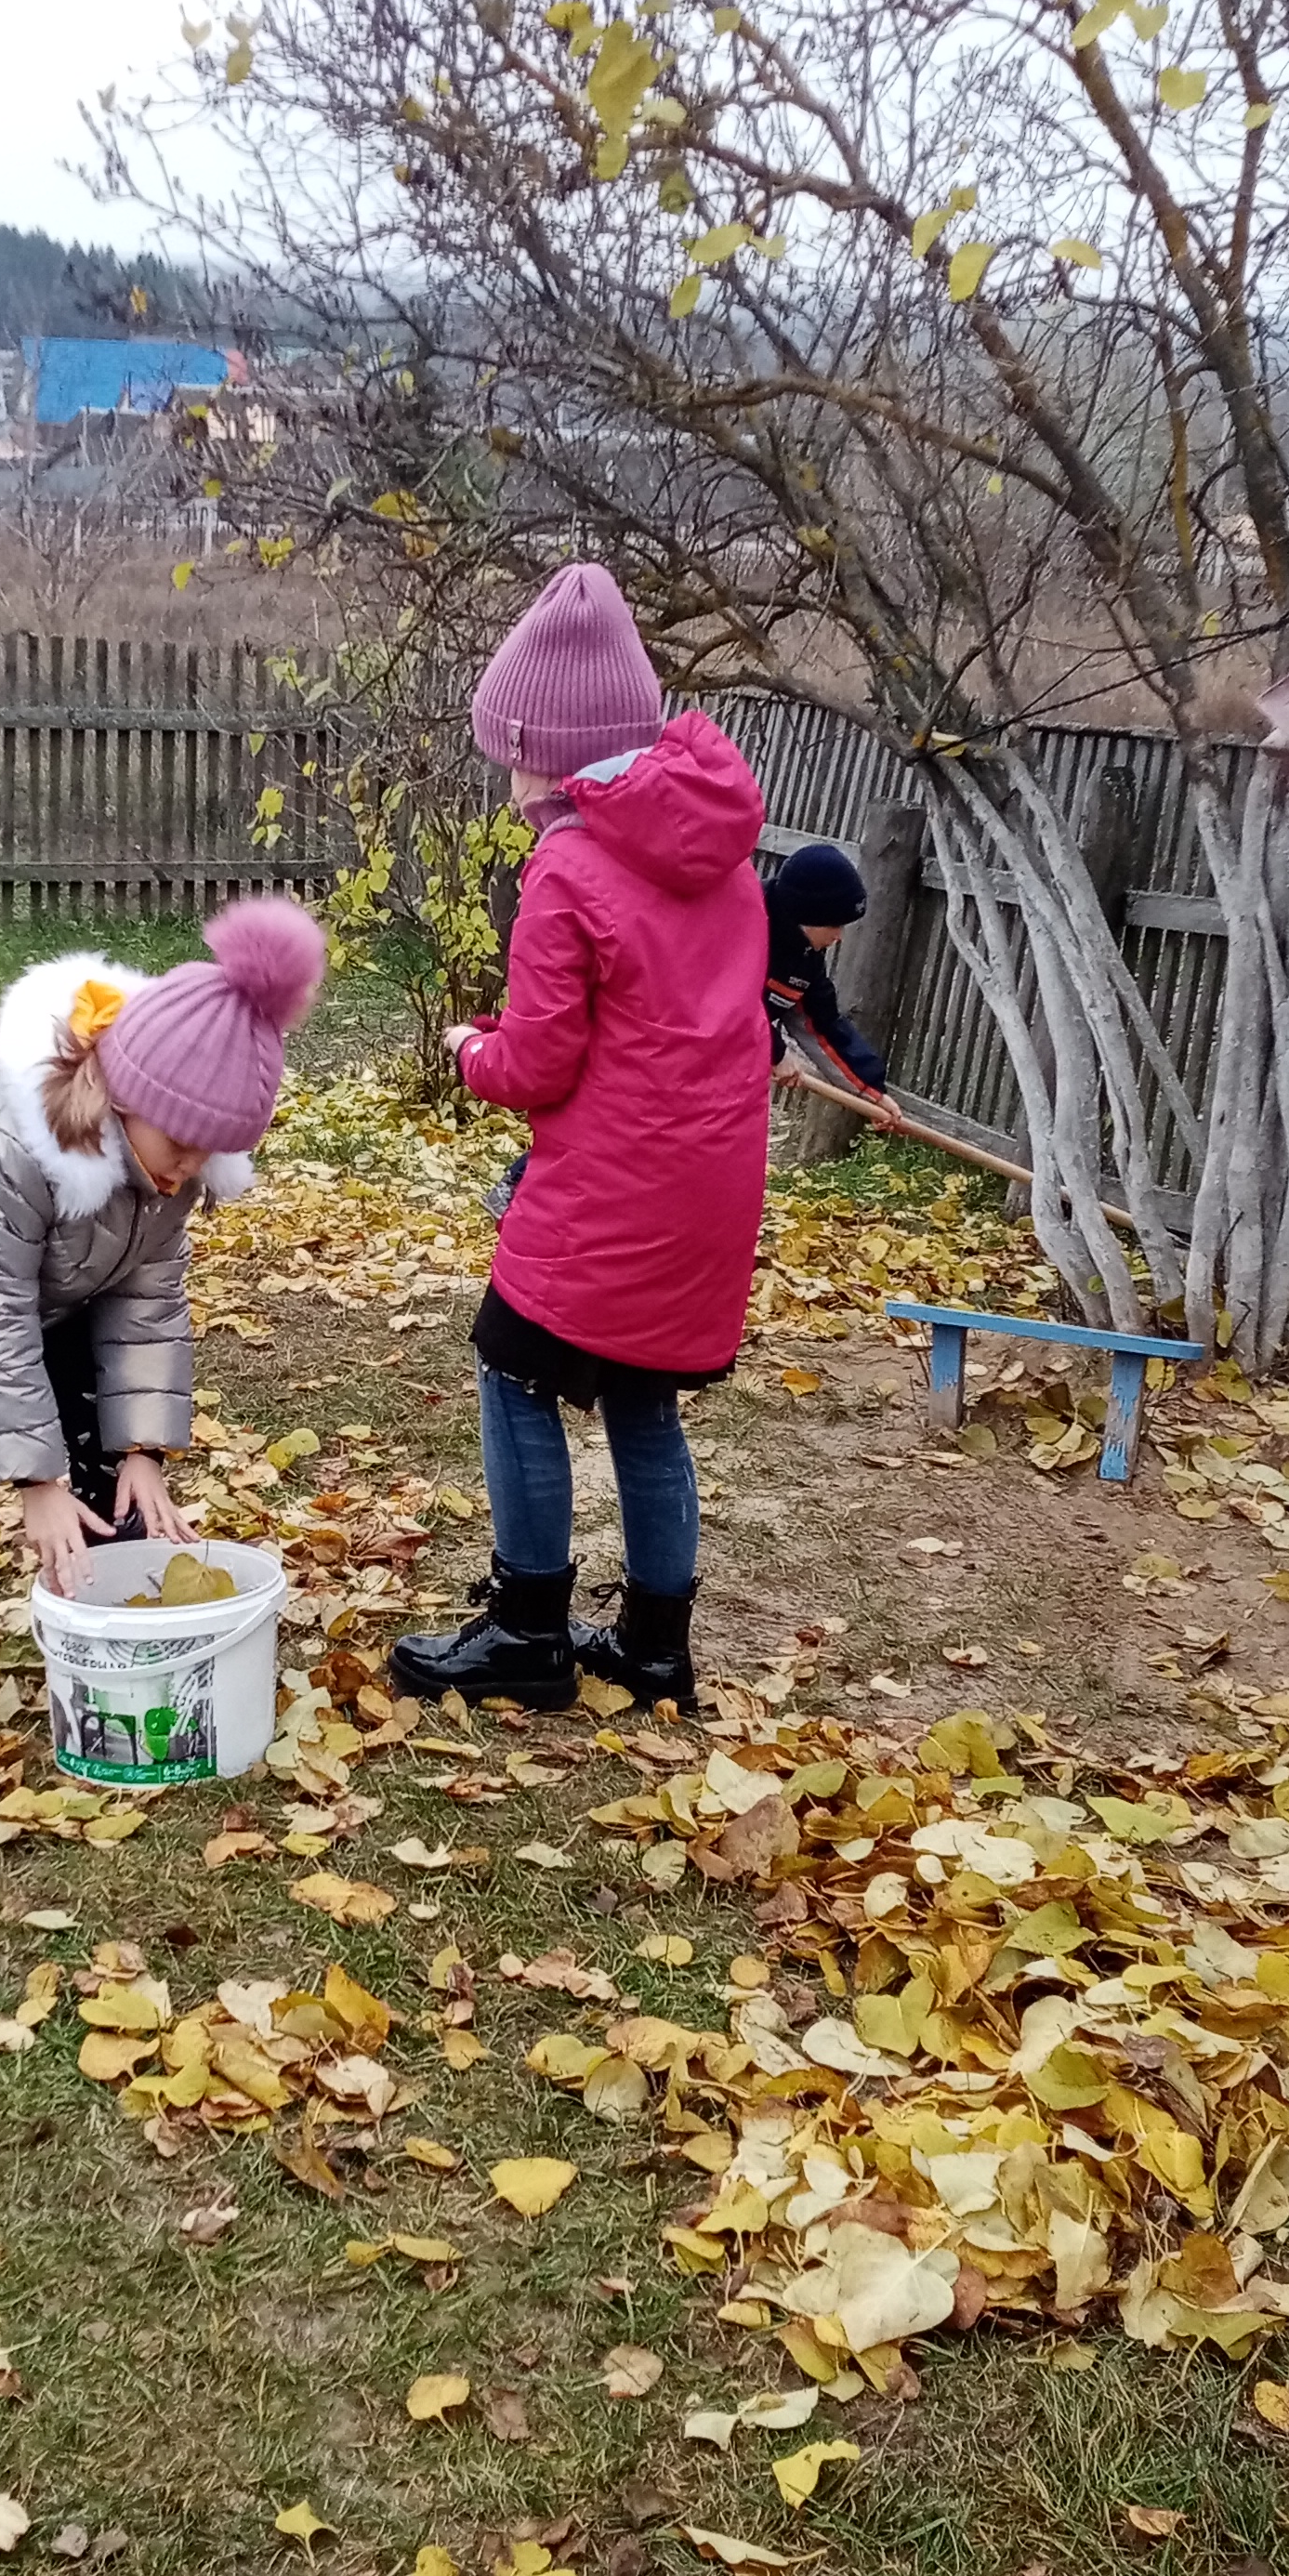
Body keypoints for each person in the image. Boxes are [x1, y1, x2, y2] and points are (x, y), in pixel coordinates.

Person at [390, 562, 770, 1715]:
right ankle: (656, 1647)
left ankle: (526, 1628)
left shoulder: (567, 865)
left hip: (610, 1187)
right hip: (706, 1185)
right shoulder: (724, 857)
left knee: (512, 1370)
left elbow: (541, 1063)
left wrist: (468, 1051)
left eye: (503, 749)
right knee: (642, 1405)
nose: (500, 772)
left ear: (535, 749)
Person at [0, 897, 328, 1698]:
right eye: (180, 1141)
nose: (190, 1164)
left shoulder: (170, 1172)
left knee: (92, 1428)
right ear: (124, 1094)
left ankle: (111, 1588)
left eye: (212, 1149)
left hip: (47, 1280)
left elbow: (147, 1301)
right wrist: (35, 1484)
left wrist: (141, 1451)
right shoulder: (11, 1148)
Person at [762, 840, 899, 1112]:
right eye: (834, 924)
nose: (839, 937)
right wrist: (773, 1050)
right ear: (805, 914)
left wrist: (872, 1092)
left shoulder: (803, 958)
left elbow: (822, 1025)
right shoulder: (739, 926)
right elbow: (723, 1004)